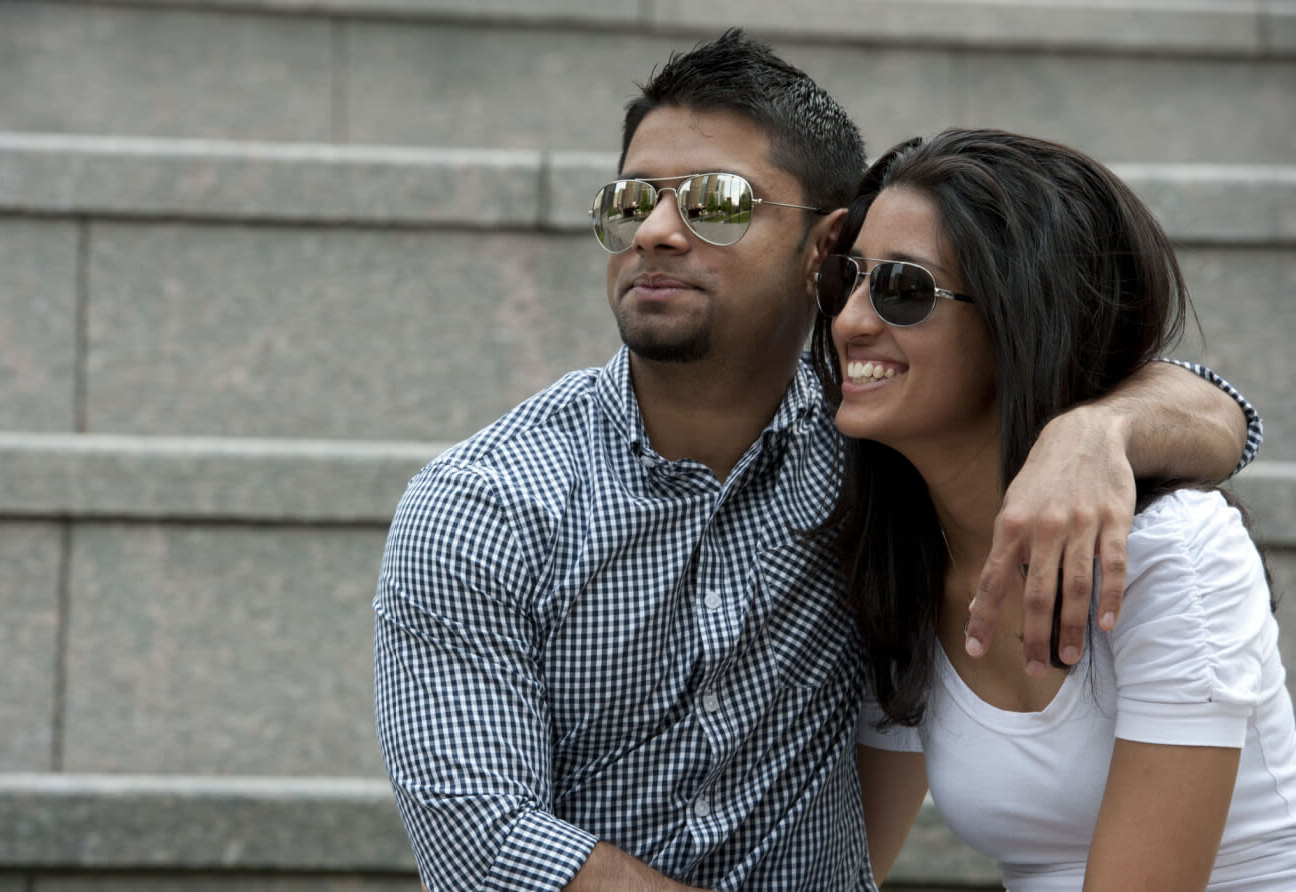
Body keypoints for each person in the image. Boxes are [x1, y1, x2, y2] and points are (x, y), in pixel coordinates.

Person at [374, 30, 1263, 891]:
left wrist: (1095, 433)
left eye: (716, 202)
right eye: (630, 201)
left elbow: (1217, 413)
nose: (656, 232)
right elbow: (484, 840)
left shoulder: (876, 463)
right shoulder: (483, 504)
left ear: (823, 249)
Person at [813, 128, 1296, 890]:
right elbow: (839, 872)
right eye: (849, 280)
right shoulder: (902, 566)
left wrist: (1100, 427)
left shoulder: (1174, 552)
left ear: (1019, 319)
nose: (849, 322)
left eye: (903, 289)